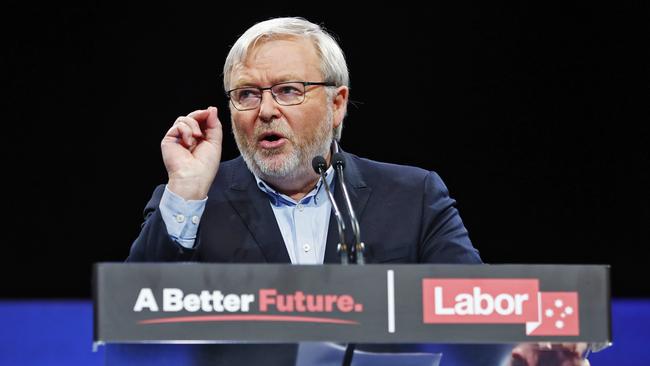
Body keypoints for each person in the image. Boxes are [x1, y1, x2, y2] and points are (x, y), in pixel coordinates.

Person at [127, 16, 589, 366]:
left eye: (288, 90)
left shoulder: (412, 197)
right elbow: (130, 317)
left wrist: (540, 330)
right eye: (247, 94)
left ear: (337, 104)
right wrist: (186, 192)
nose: (265, 111)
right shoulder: (194, 199)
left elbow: (474, 302)